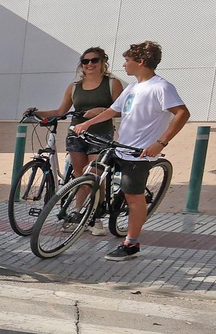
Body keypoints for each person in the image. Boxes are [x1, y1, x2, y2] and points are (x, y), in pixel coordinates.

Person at [70, 40, 190, 261]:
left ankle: (131, 244)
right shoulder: (133, 87)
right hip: (119, 147)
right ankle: (92, 214)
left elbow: (182, 113)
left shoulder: (161, 87)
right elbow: (113, 110)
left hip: (139, 153)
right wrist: (86, 124)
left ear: (141, 62)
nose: (124, 65)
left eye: (127, 60)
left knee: (134, 198)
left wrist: (161, 143)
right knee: (91, 172)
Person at [32, 46, 123, 235]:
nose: (89, 64)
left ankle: (96, 218)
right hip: (76, 134)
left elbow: (121, 109)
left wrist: (100, 111)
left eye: (94, 60)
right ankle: (79, 215)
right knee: (80, 176)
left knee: (95, 176)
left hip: (100, 134)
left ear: (102, 62)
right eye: (85, 61)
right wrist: (36, 112)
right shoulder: (74, 87)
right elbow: (60, 111)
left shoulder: (111, 83)